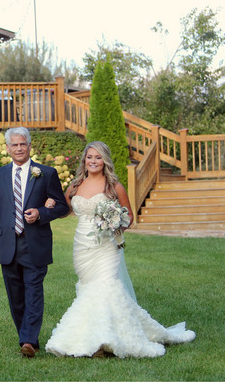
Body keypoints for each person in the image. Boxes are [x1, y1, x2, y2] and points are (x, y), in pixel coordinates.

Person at [44, 140, 196, 358]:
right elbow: (64, 209)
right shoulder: (76, 186)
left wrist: (114, 223)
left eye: (98, 157)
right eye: (90, 157)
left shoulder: (114, 187)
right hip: (82, 246)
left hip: (106, 246)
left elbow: (129, 217)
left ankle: (103, 342)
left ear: (104, 161)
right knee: (89, 290)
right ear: (84, 161)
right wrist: (50, 204)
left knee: (106, 287)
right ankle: (94, 337)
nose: (93, 161)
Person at [0, 127, 69, 358]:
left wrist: (41, 213)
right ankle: (26, 335)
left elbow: (62, 206)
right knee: (16, 296)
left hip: (35, 244)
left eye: (23, 144)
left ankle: (29, 340)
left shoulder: (46, 173)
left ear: (30, 146)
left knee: (33, 292)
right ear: (8, 148)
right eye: (14, 145)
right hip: (7, 245)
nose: (19, 148)